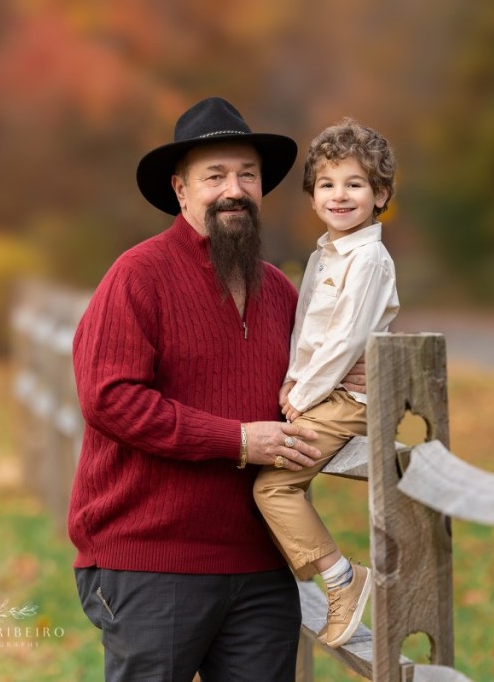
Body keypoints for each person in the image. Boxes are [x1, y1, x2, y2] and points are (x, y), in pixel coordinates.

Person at [69, 96, 327, 682]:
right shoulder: (138, 276)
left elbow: (311, 381)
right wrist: (236, 440)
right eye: (214, 176)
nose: (233, 190)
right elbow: (109, 398)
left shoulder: (281, 292)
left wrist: (354, 373)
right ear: (181, 191)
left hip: (261, 564)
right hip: (151, 559)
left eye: (247, 175)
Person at [254, 118, 400, 649]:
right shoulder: (322, 256)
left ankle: (341, 581)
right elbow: (304, 335)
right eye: (327, 184)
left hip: (348, 398)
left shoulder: (368, 260)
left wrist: (302, 396)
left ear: (379, 193)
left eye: (355, 184)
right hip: (321, 393)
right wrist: (292, 381)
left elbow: (344, 341)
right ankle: (286, 582)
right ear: (313, 194)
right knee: (261, 472)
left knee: (273, 484)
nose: (339, 195)